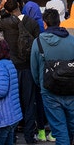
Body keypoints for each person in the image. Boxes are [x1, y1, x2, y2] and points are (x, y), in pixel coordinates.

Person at [0, 0, 42, 144]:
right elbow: (38, 42)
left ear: (7, 10)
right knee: (29, 102)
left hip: (12, 67)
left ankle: (12, 134)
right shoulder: (32, 22)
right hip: (28, 67)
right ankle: (29, 136)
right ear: (19, 5)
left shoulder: (6, 23)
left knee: (12, 101)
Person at [31, 8, 74, 144]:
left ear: (44, 24)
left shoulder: (38, 42)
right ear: (60, 22)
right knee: (71, 126)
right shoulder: (71, 40)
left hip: (49, 90)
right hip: (71, 89)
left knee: (59, 130)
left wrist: (42, 85)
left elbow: (35, 70)